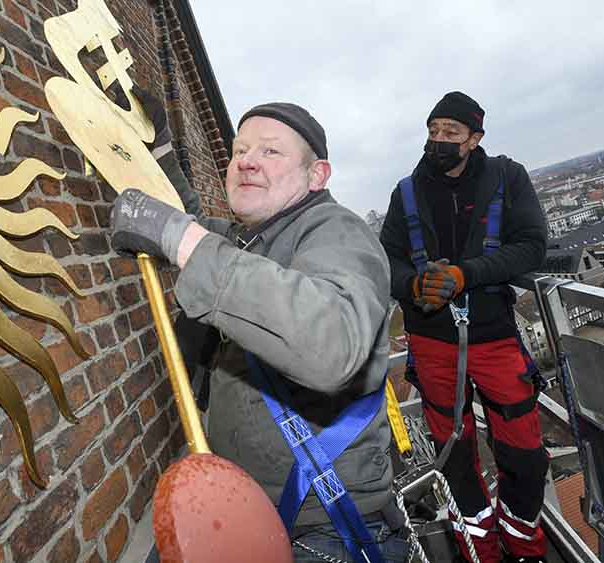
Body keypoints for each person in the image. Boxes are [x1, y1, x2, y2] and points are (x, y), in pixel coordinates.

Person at [113, 87, 407, 562]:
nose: (247, 162)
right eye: (239, 151)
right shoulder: (253, 239)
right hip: (244, 507)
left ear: (317, 175)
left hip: (324, 528)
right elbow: (194, 221)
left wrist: (178, 237)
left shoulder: (337, 232)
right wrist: (159, 148)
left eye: (270, 151)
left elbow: (333, 341)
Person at [379, 92, 549, 563]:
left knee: (524, 453)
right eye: (433, 131)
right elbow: (386, 259)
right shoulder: (408, 193)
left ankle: (524, 547)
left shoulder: (506, 179)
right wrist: (414, 285)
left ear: (474, 139)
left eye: (450, 133)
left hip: (492, 334)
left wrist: (465, 275)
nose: (438, 141)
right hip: (433, 341)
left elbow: (532, 245)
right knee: (454, 454)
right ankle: (480, 551)